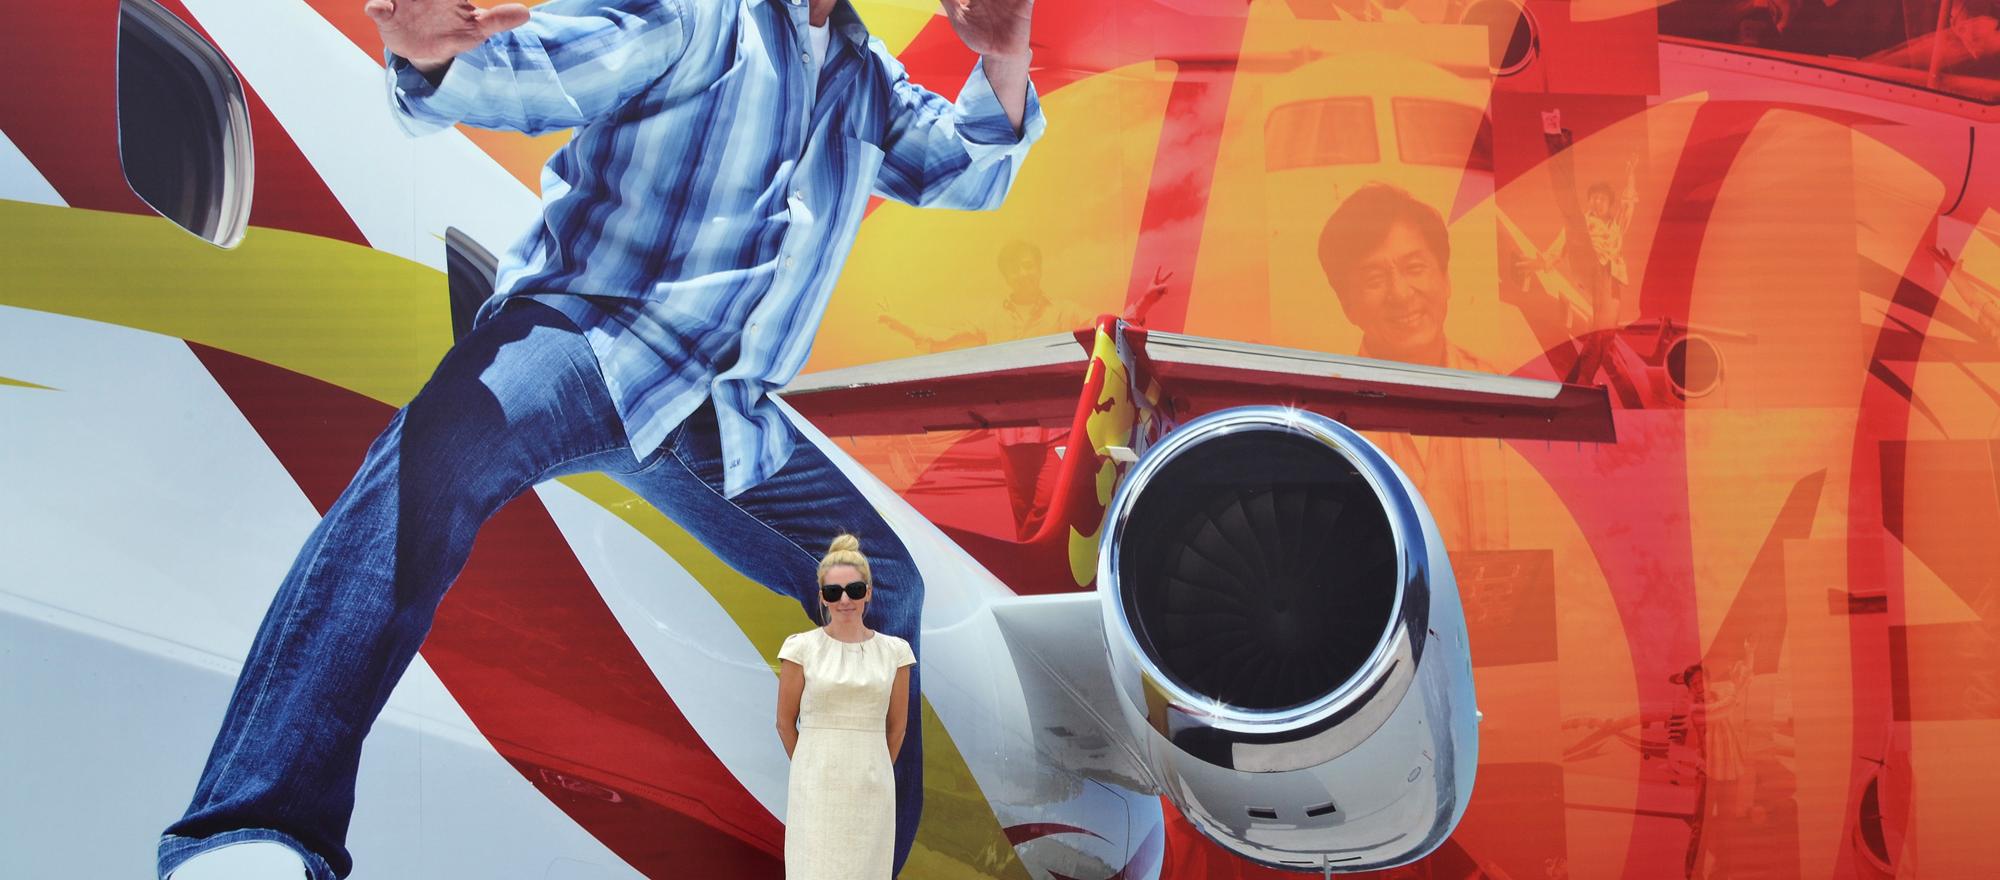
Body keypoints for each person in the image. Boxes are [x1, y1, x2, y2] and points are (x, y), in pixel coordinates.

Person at [157, 0, 1043, 877]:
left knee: (880, 584)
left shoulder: (863, 77)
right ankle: (250, 830)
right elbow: (559, 62)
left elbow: (966, 167)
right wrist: (439, 62)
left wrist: (1005, 57)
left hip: (716, 410)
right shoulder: (699, 14)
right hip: (589, 332)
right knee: (438, 459)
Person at [1317, 183, 1509, 550]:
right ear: (1347, 305)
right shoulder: (1327, 422)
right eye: (1375, 278)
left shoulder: (1503, 397)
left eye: (1415, 267)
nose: (1401, 294)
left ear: (1446, 278)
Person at [775, 535, 917, 879]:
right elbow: (784, 723)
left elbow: (897, 728)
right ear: (822, 597)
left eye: (854, 590)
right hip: (815, 785)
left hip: (872, 786)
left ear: (868, 592)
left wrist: (874, 766)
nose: (844, 600)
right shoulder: (802, 648)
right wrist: (813, 764)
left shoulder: (895, 653)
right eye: (833, 592)